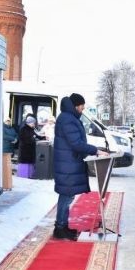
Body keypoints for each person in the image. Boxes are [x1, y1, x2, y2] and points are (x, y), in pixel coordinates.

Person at [53, 93, 105, 240]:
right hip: (67, 165)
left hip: (68, 163)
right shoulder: (68, 120)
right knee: (66, 196)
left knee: (67, 196)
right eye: (82, 106)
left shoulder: (68, 117)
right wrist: (95, 150)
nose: (82, 109)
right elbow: (76, 143)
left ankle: (62, 226)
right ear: (76, 106)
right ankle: (60, 228)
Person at [2, 118, 18, 190]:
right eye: (7, 121)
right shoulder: (2, 128)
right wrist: (13, 139)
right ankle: (5, 181)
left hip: (10, 147)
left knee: (9, 163)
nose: (8, 122)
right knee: (5, 163)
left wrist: (16, 139)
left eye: (9, 121)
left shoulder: (12, 128)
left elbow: (16, 134)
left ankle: (8, 180)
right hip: (5, 147)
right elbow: (4, 136)